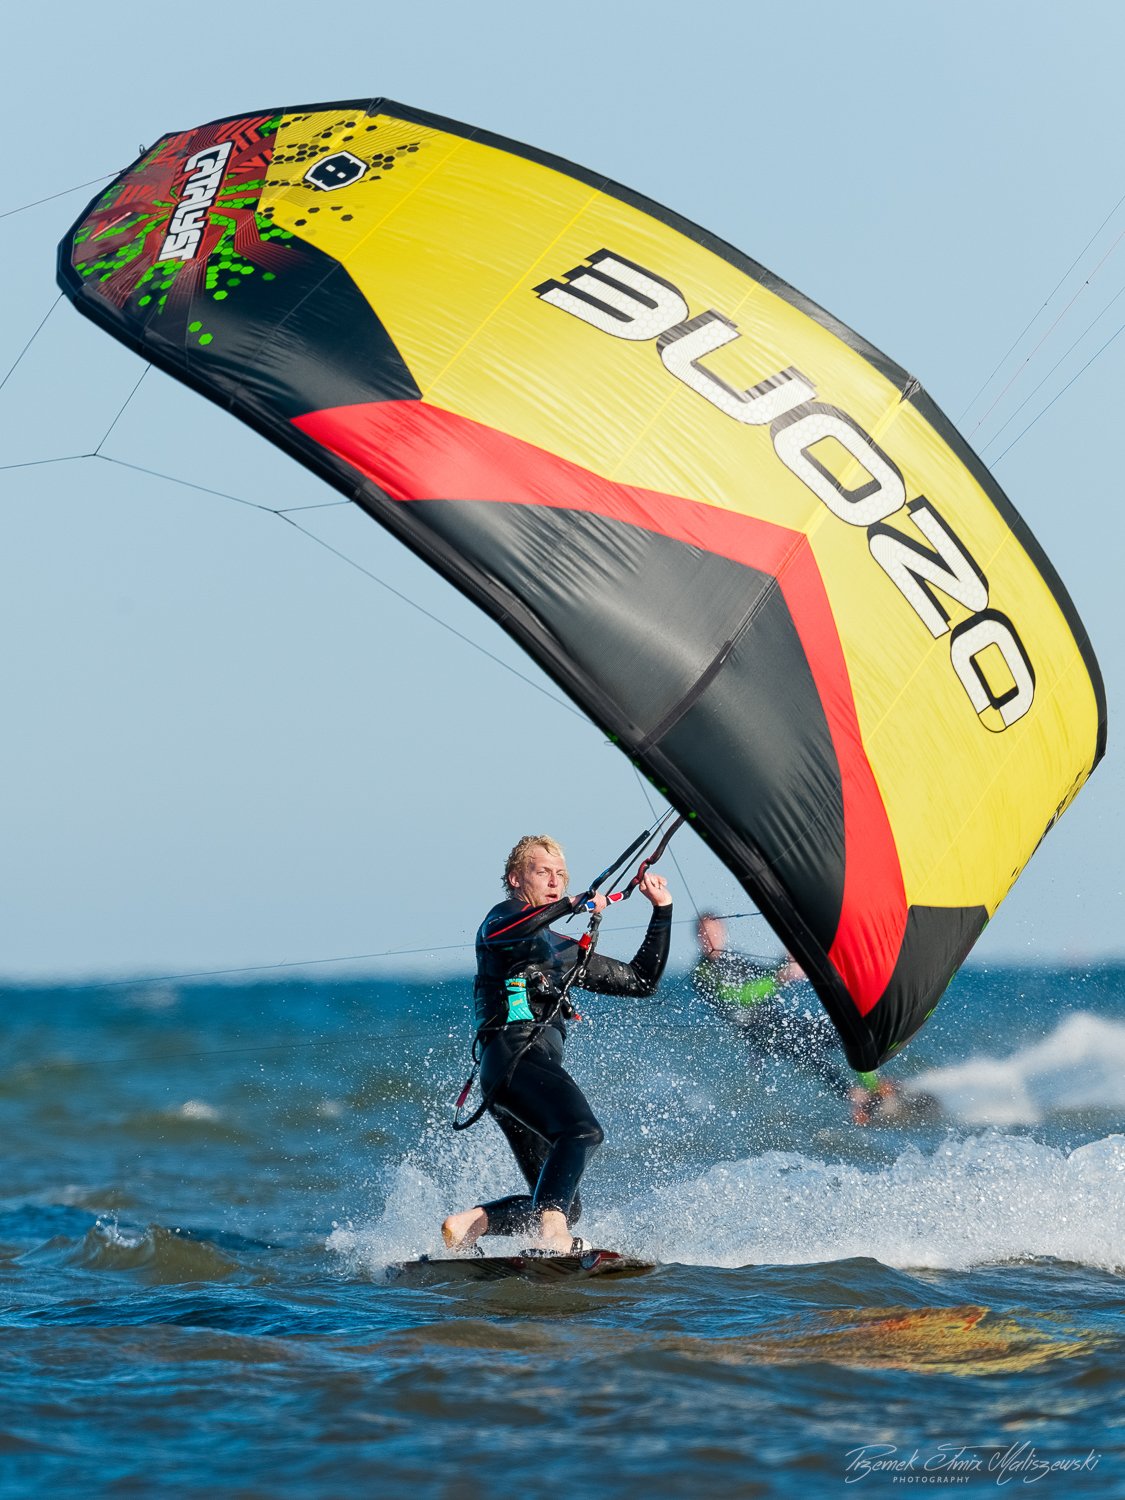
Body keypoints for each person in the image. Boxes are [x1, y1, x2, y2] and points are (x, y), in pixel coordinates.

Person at [441, 834, 673, 1255]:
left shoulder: (561, 950)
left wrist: (661, 911)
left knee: (563, 1203)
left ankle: (469, 1224)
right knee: (582, 1132)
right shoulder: (503, 920)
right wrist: (572, 905)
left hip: (510, 1080)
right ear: (516, 878)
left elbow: (642, 981)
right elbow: (514, 929)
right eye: (542, 871)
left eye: (561, 875)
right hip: (515, 1058)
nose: (553, 880)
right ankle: (553, 1236)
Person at [691, 913, 897, 1124]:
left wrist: (785, 961)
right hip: (761, 1035)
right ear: (698, 937)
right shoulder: (702, 973)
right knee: (812, 1053)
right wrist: (780, 977)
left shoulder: (733, 958)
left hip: (780, 1022)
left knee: (843, 1033)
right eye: (705, 933)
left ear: (723, 933)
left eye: (715, 932)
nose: (711, 938)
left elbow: (763, 973)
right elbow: (738, 996)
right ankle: (858, 1101)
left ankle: (874, 1086)